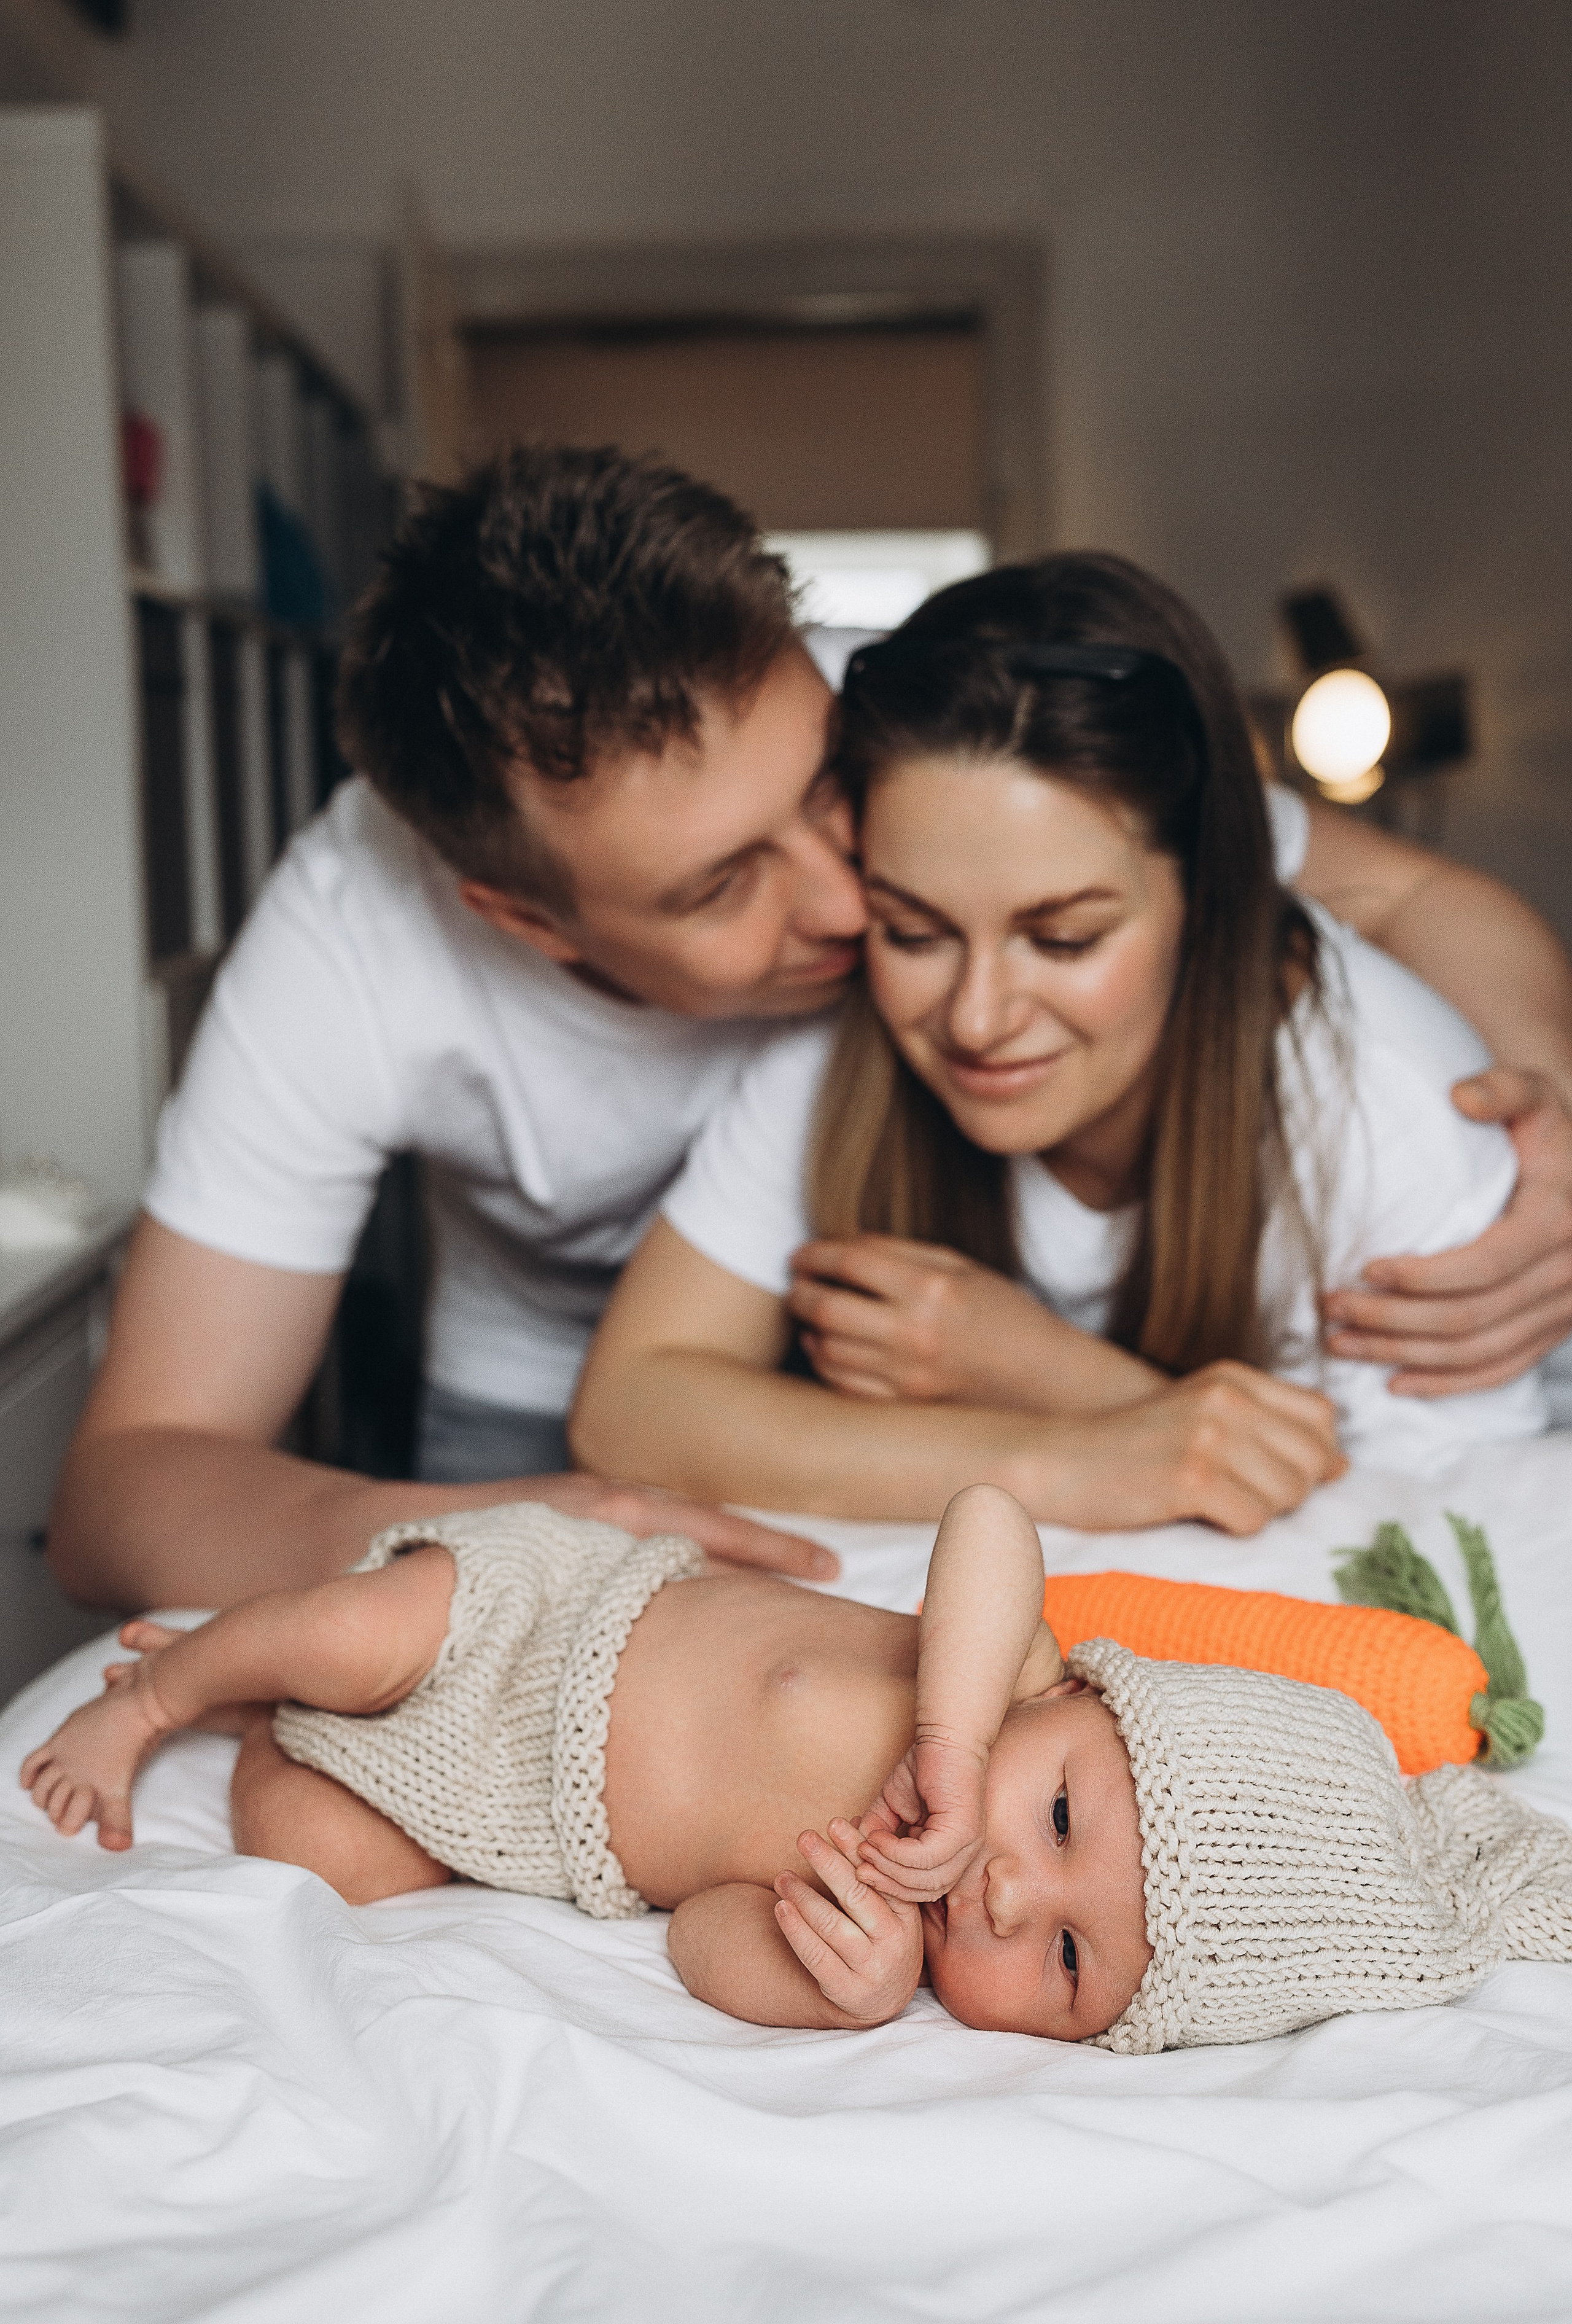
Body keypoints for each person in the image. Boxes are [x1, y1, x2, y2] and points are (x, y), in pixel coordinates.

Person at [46, 450, 1572, 1611]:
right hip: (563, 1382)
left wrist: (1534, 1134)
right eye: (721, 885)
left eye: (826, 790)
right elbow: (123, 1486)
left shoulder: (917, 726)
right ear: (528, 921)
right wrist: (469, 1526)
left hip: (895, 1361)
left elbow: (1406, 892)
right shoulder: (349, 959)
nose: (856, 902)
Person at [571, 553, 1548, 1529]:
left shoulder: (1390, 1105)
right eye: (913, 931)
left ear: (1208, 897)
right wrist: (1063, 1456)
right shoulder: (846, 1032)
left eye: (1064, 939)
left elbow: (1444, 1540)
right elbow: (631, 1408)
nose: (976, 1019)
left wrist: (1051, 1375)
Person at [20, 1487, 1572, 2048]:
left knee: (323, 1862)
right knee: (357, 1627)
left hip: (509, 1805)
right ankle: (164, 1693)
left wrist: (830, 1981)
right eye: (1056, 1815)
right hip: (544, 1612)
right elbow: (985, 1518)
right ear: (1084, 1697)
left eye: (1068, 1959)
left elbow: (694, 1928)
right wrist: (954, 1733)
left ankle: (255, 1707)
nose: (1008, 1890)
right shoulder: (1002, 1672)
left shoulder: (874, 1925)